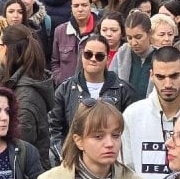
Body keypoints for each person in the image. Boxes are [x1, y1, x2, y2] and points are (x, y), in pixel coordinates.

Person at [120, 46, 180, 179]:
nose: (167, 84)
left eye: (174, 76)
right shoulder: (133, 115)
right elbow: (127, 169)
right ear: (151, 76)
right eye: (160, 77)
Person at [51, 34, 136, 166]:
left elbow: (130, 130)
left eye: (99, 56)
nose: (93, 59)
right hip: (74, 162)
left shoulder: (124, 90)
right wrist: (65, 155)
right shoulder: (65, 89)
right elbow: (54, 127)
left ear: (107, 59)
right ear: (81, 55)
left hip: (113, 162)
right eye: (88, 54)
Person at [0, 24, 55, 169]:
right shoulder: (16, 84)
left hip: (25, 176)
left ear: (6, 49)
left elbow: (21, 146)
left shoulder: (25, 97)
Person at [52, 0, 98, 85]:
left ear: (91, 6)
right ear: (71, 8)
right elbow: (55, 62)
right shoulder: (60, 31)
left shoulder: (100, 30)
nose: (80, 9)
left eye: (84, 5)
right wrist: (59, 79)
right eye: (76, 6)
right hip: (66, 88)